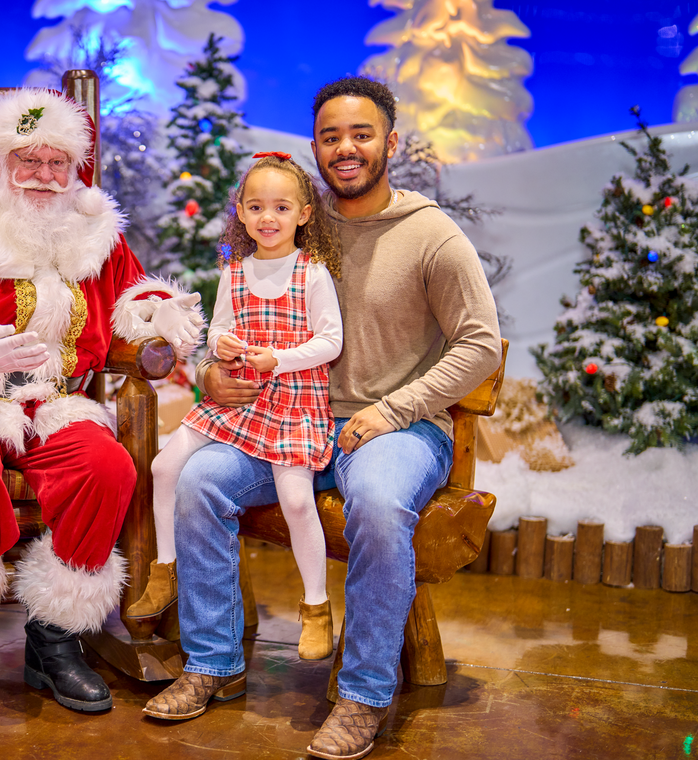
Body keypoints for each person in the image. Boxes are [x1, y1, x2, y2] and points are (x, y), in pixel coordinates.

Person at [143, 76, 501, 760]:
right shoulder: (292, 218)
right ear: (314, 148)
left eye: (362, 134)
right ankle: (212, 663)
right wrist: (215, 376)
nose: (346, 148)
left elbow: (480, 344)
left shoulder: (431, 235)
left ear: (390, 143)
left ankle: (364, 694)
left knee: (373, 499)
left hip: (395, 427)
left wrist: (393, 409)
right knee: (197, 481)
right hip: (288, 420)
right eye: (331, 136)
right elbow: (235, 319)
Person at [0, 88, 204, 728]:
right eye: (29, 160)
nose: (45, 177)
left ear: (75, 167)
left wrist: (157, 307)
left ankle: (54, 642)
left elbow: (130, 294)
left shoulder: (91, 230)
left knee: (109, 468)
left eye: (58, 163)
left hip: (51, 404)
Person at [126, 152, 343, 668]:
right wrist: (222, 346)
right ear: (241, 214)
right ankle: (166, 569)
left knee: (294, 498)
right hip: (242, 398)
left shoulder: (312, 275)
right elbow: (220, 327)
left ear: (304, 214)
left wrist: (279, 358)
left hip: (292, 402)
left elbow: (331, 341)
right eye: (256, 207)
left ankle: (315, 605)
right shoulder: (235, 271)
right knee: (163, 465)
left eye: (282, 207)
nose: (269, 218)